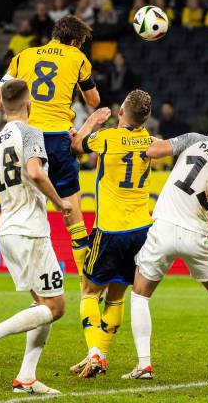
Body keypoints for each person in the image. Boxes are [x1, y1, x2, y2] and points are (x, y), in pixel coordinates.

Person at [0, 79, 72, 394]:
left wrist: (6, 233)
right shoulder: (30, 132)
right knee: (55, 307)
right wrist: (60, 202)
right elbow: (36, 171)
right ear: (29, 104)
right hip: (30, 230)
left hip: (8, 229)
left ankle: (27, 376)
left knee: (41, 306)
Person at [0, 15, 100, 289]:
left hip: (25, 136)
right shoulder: (77, 58)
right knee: (73, 213)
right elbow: (93, 101)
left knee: (28, 203)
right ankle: (87, 282)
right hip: (57, 138)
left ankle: (34, 279)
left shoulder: (23, 56)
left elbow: (0, 95)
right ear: (74, 41)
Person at [125, 113, 208, 381]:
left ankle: (144, 364)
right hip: (198, 233)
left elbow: (153, 150)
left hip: (165, 227)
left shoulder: (195, 140)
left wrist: (135, 133)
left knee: (140, 294)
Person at [68, 90, 154, 378]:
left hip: (112, 230)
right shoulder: (149, 140)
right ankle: (99, 353)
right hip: (142, 230)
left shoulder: (107, 137)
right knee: (116, 296)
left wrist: (91, 121)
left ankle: (94, 353)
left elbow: (77, 147)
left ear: (120, 113)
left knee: (89, 292)